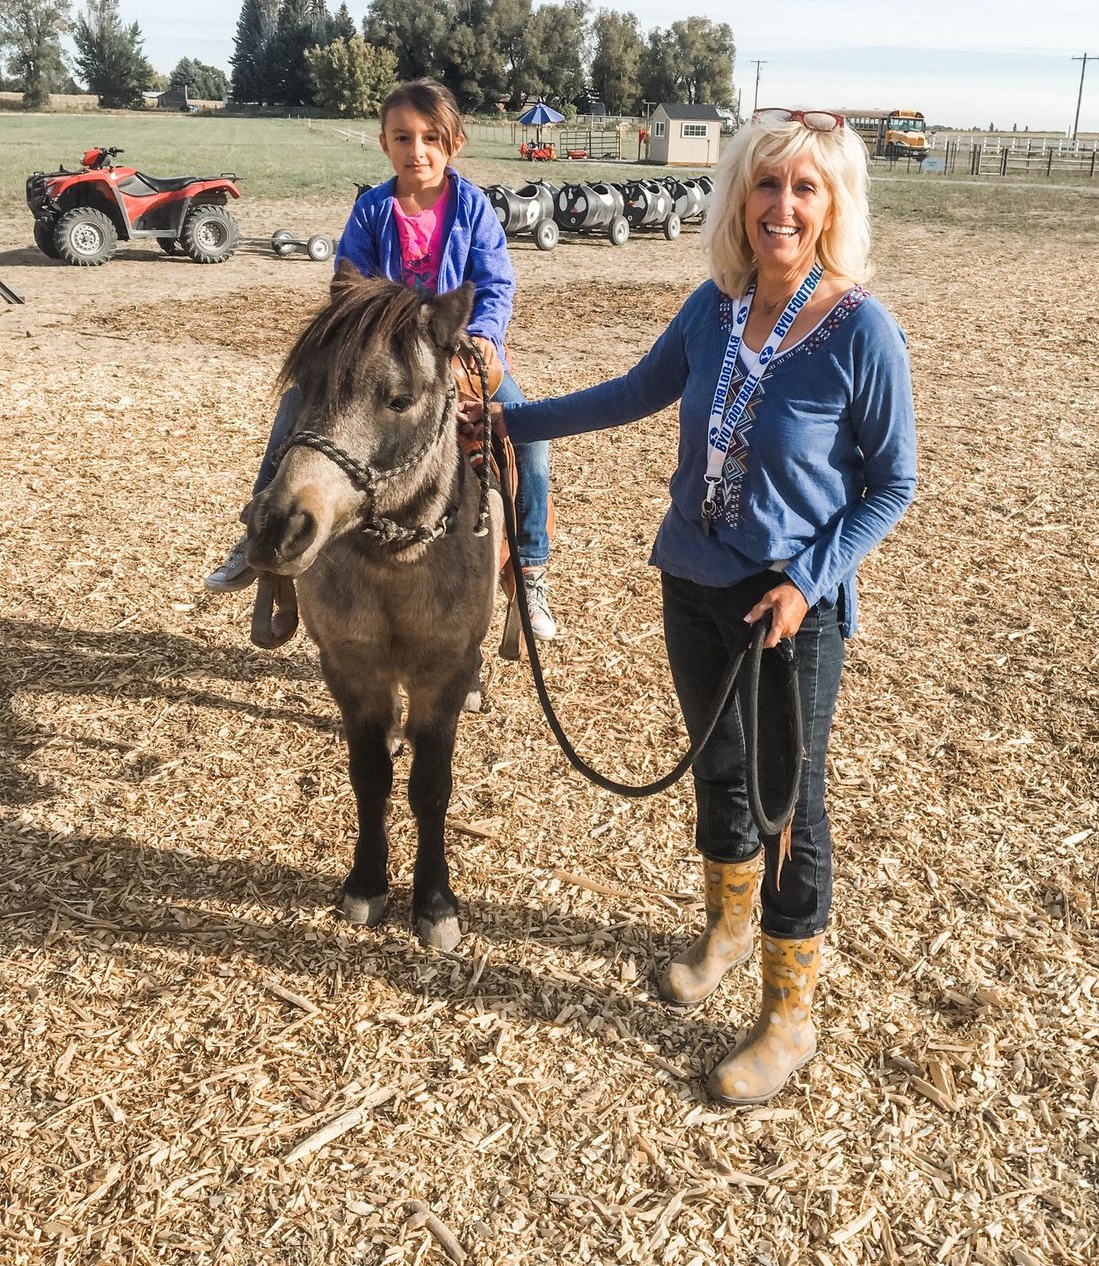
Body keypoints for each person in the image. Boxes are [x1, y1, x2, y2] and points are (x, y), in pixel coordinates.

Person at [472, 108, 916, 1104]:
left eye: (805, 188)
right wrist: (508, 419)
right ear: (740, 199)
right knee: (717, 770)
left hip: (786, 605)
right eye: (767, 185)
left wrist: (810, 578)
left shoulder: (861, 329)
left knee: (788, 802)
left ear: (834, 202)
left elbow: (892, 483)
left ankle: (789, 1014)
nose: (783, 206)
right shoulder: (714, 306)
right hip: (693, 581)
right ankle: (723, 928)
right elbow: (634, 391)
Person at [204, 77, 558, 641]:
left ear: (454, 144)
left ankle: (530, 566)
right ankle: (261, 531)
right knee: (296, 405)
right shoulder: (371, 211)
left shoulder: (475, 211)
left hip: (456, 354)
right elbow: (348, 283)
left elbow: (495, 286)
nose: (416, 151)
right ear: (383, 144)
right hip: (381, 361)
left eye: (429, 139)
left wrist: (485, 335)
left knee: (529, 436)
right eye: (402, 137)